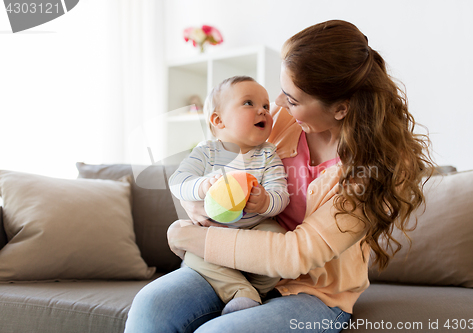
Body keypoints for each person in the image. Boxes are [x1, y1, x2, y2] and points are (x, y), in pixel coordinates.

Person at [124, 20, 433, 333]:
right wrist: (197, 202)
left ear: (340, 108)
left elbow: (295, 256)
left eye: (293, 99)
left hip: (314, 291)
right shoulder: (282, 120)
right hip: (237, 267)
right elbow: (214, 161)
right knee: (152, 306)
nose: (279, 104)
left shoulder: (376, 170)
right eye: (283, 92)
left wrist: (191, 236)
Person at [168, 76, 289, 315]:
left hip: (254, 232)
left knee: (279, 237)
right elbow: (178, 182)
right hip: (213, 233)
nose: (263, 111)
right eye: (249, 103)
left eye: (265, 106)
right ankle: (242, 293)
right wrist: (203, 186)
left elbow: (281, 195)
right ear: (218, 120)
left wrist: (265, 202)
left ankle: (256, 290)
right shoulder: (206, 152)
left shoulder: (268, 155)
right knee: (189, 245)